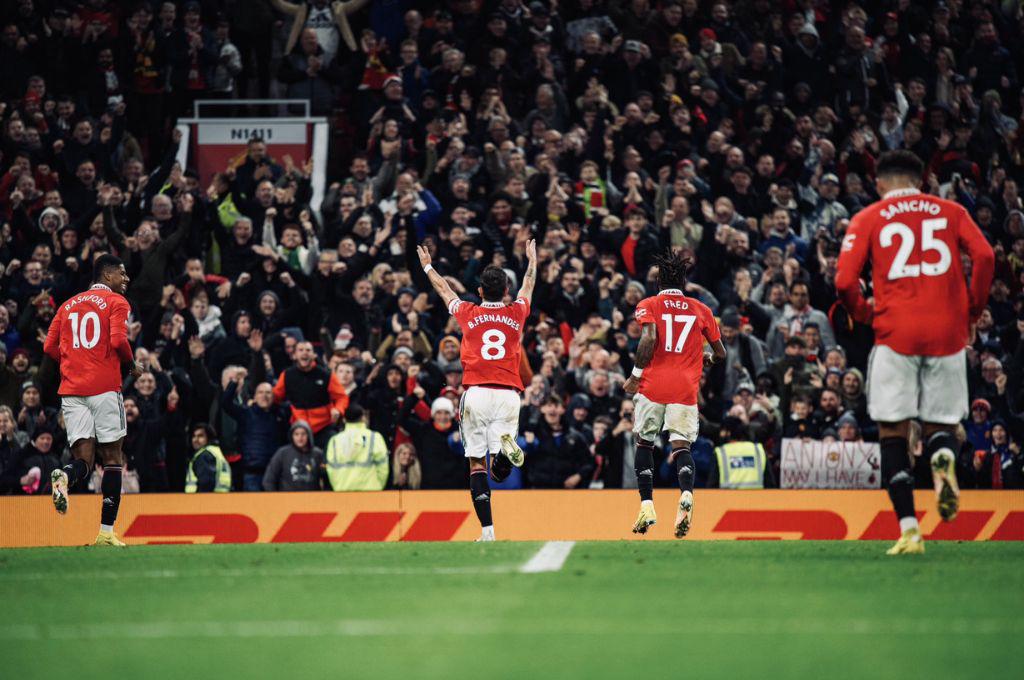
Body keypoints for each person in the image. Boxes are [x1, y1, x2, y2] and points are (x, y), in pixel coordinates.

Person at [836, 150, 995, 555]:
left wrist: (865, 313)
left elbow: (843, 281)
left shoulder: (869, 216)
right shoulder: (951, 210)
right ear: (922, 180)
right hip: (946, 332)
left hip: (896, 332)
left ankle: (910, 531)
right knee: (939, 426)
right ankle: (943, 459)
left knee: (893, 432)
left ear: (879, 183)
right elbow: (985, 256)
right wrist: (971, 311)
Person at [417, 239, 538, 542]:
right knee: (499, 472)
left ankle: (487, 532)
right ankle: (504, 455)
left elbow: (445, 290)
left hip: (477, 393)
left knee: (475, 463)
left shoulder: (468, 312)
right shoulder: (516, 312)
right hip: (509, 394)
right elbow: (529, 285)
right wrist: (532, 261)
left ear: (481, 291)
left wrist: (428, 266)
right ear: (506, 291)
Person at [623, 252, 726, 537]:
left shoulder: (649, 304)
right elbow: (721, 353)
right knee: (681, 447)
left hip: (653, 386)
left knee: (644, 443)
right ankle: (687, 494)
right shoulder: (701, 309)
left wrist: (634, 375)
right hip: (685, 388)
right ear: (684, 282)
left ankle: (646, 505)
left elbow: (649, 338)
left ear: (658, 282)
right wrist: (707, 358)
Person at [44, 255, 142, 547]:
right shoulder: (117, 303)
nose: (126, 279)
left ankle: (64, 476)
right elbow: (117, 341)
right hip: (104, 388)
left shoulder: (67, 305)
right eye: (122, 273)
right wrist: (130, 365)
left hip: (72, 390)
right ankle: (106, 532)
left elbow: (49, 347)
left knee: (83, 460)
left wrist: (76, 361)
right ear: (107, 275)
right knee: (113, 458)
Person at [324, 405, 388, 491]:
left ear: (344, 420)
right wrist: (378, 485)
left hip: (342, 491)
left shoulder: (335, 440)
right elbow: (383, 466)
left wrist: (338, 486)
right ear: (363, 418)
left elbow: (331, 468)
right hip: (370, 491)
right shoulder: (374, 437)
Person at [262, 420, 325, 491]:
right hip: (287, 499)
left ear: (309, 435)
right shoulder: (282, 453)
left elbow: (326, 478)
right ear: (292, 436)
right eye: (296, 434)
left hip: (312, 499)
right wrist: (275, 499)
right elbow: (268, 480)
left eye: (303, 434)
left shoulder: (318, 454)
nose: (300, 438)